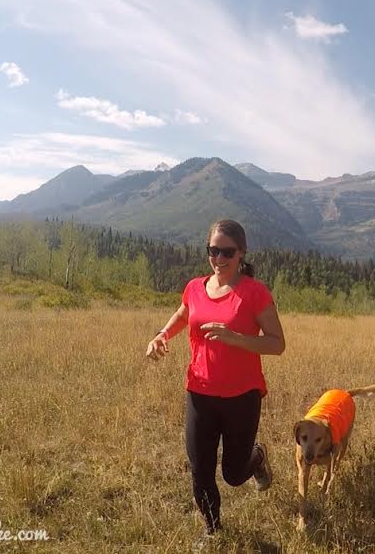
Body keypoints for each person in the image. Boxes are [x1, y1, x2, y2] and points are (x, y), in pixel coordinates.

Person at [145, 219, 286, 536]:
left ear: (241, 253)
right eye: (213, 251)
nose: (219, 259)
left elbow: (278, 343)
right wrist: (162, 335)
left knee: (234, 474)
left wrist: (237, 338)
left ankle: (257, 457)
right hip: (200, 393)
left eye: (227, 252)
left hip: (242, 398)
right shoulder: (195, 288)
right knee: (201, 472)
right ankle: (213, 531)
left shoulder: (254, 293)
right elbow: (183, 315)